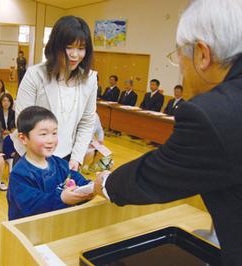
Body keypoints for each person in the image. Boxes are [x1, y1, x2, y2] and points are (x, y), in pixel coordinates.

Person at [94, 0, 242, 264]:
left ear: (202, 54)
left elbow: (156, 174)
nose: (181, 74)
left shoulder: (215, 113)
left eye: (178, 58)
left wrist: (106, 182)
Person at [13, 16, 97, 171]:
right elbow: (22, 120)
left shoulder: (90, 79)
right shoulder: (35, 75)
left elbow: (86, 122)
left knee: (63, 195)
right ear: (55, 46)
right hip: (30, 156)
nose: (75, 55)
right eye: (69, 47)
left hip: (66, 157)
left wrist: (77, 157)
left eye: (81, 48)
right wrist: (38, 161)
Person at [7, 106, 95, 220]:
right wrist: (62, 198)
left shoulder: (60, 164)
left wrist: (92, 187)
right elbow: (33, 207)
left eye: (54, 133)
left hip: (57, 227)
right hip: (29, 232)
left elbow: (79, 180)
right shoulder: (19, 175)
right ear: (23, 138)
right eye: (43, 134)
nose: (51, 140)